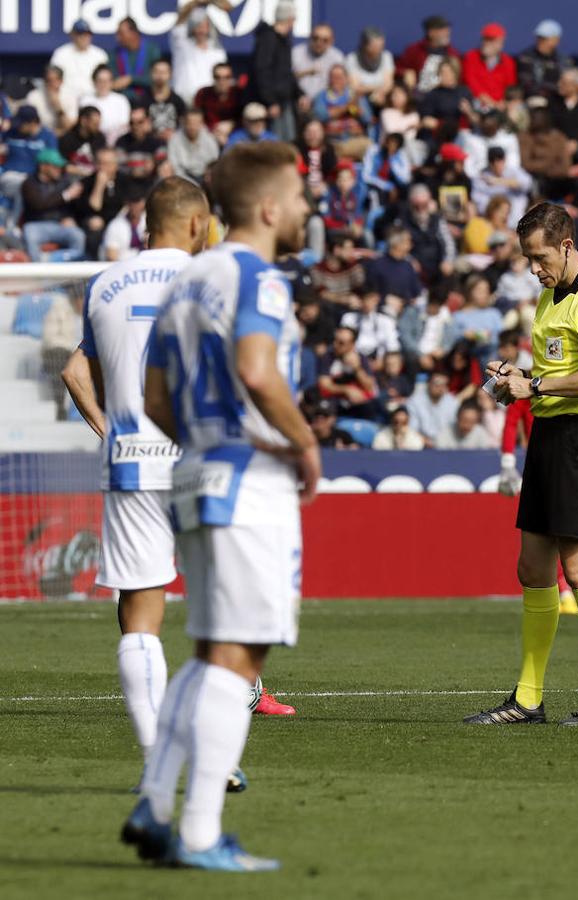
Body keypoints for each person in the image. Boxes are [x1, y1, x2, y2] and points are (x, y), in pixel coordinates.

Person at [122, 142, 317, 870]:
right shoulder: (258, 276)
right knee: (239, 657)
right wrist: (302, 443)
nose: (303, 208)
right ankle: (201, 833)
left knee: (209, 654)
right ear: (267, 208)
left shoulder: (184, 279)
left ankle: (155, 801)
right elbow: (257, 370)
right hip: (249, 486)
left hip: (194, 474)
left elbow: (152, 400)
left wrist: (205, 442)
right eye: (296, 197)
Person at [60, 177, 220, 792]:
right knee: (220, 614)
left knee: (141, 613)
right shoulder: (211, 280)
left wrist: (110, 429)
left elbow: (75, 371)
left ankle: (159, 755)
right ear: (197, 223)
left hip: (132, 459)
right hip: (202, 460)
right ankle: (212, 750)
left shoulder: (104, 283)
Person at [467, 202, 578, 727]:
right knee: (532, 567)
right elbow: (561, 367)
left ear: (565, 245)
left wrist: (532, 384)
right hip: (549, 432)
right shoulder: (549, 295)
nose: (534, 268)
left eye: (539, 257)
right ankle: (528, 700)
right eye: (527, 258)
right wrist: (519, 378)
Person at [247, 1, 299, 142]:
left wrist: (299, 94)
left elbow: (286, 73)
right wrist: (270, 101)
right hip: (273, 104)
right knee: (275, 144)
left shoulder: (284, 41)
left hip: (284, 101)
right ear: (289, 19)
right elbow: (262, 71)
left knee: (288, 142)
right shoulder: (268, 39)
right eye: (294, 19)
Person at [170, 0, 229, 105]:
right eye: (197, 25)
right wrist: (195, 2)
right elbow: (179, 23)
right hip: (183, 99)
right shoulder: (182, 46)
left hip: (206, 102)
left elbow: (228, 6)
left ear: (209, 28)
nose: (201, 30)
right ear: (192, 27)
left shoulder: (218, 52)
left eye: (204, 26)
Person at [50, 19, 109, 99]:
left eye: (87, 34)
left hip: (93, 99)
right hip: (67, 99)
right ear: (72, 35)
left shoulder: (100, 55)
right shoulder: (60, 54)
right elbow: (53, 80)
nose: (84, 37)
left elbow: (106, 81)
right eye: (80, 34)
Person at [81, 64, 132, 144]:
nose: (103, 84)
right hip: (92, 141)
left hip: (117, 142)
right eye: (100, 81)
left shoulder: (121, 100)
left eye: (106, 81)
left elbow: (124, 126)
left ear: (111, 82)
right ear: (94, 82)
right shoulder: (85, 100)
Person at [25, 65, 78, 135]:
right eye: (48, 80)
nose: (51, 84)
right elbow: (28, 125)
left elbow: (70, 126)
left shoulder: (70, 96)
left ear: (61, 81)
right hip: (40, 136)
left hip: (63, 135)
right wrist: (49, 136)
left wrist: (58, 108)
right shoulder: (33, 96)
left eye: (55, 80)